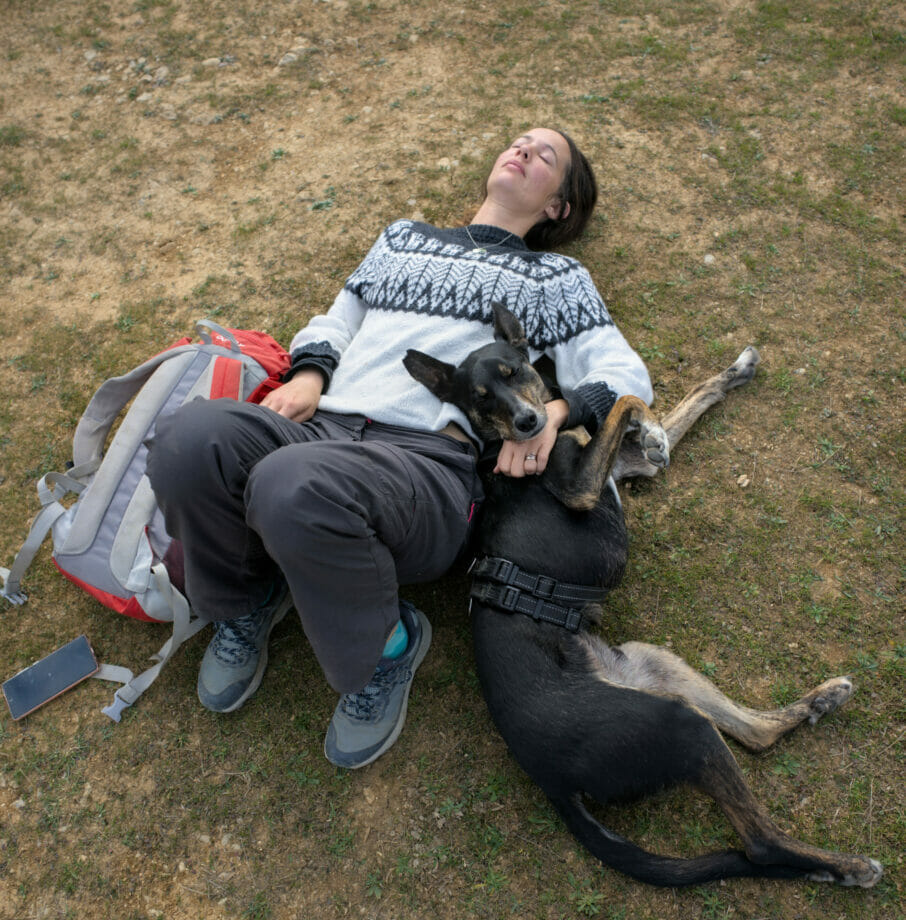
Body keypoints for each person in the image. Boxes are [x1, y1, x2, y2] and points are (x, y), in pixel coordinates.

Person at [146, 127, 653, 769]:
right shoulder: (401, 238)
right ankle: (244, 602)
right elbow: (341, 318)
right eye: (519, 141)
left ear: (558, 206)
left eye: (545, 156)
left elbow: (624, 373)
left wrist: (555, 413)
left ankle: (388, 647)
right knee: (189, 442)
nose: (523, 150)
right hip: (320, 427)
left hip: (423, 467)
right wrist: (308, 374)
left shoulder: (554, 276)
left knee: (290, 486)